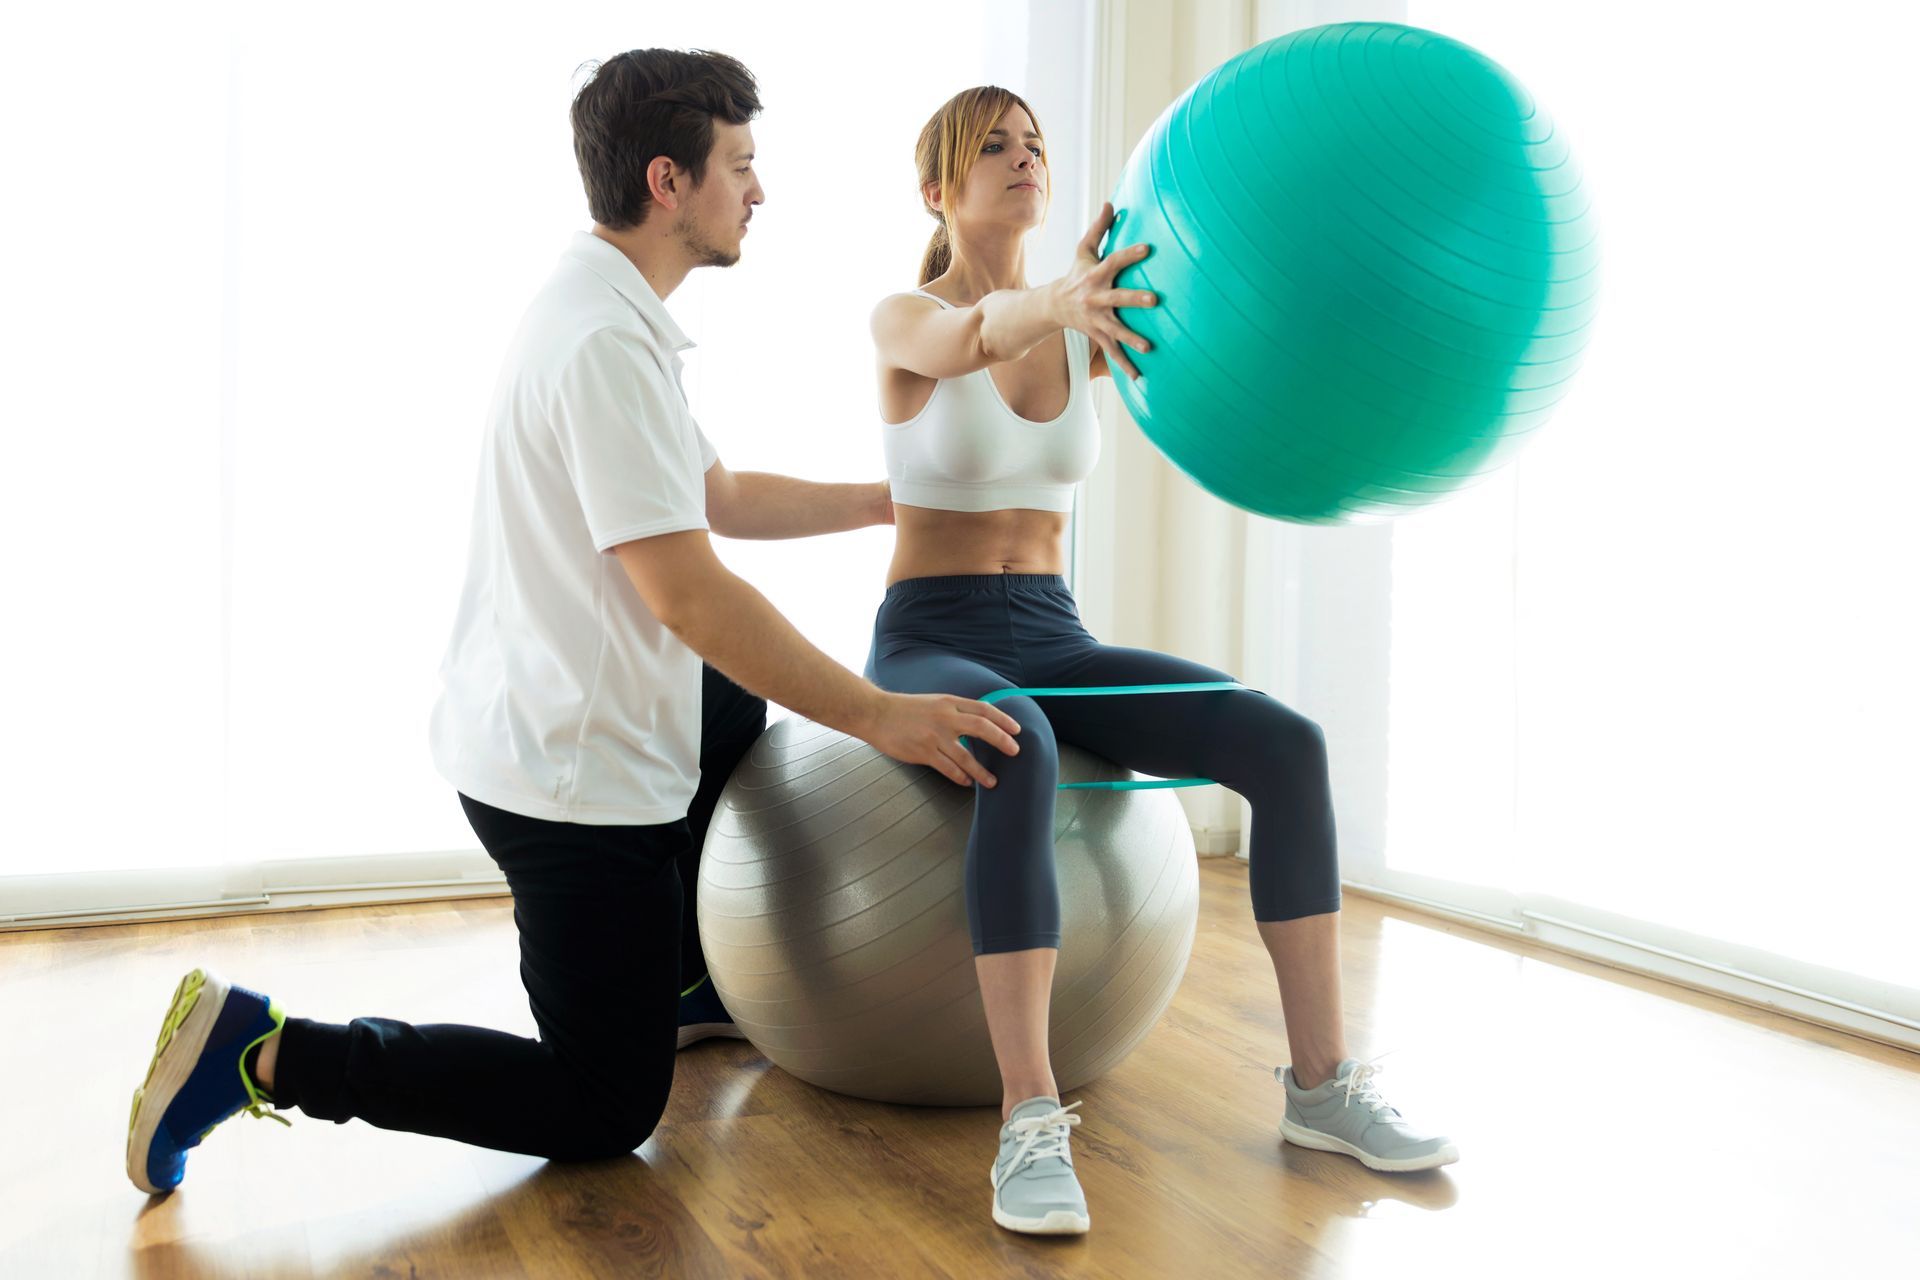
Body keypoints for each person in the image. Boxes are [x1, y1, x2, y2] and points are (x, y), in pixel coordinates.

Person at [123, 48, 1024, 1196]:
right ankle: (260, 1050)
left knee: (727, 704)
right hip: (567, 781)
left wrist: (884, 501)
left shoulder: (608, 310)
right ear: (667, 181)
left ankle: (684, 978)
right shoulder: (603, 346)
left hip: (548, 706)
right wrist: (879, 714)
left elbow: (715, 494)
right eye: (740, 165)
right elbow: (691, 593)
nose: (759, 190)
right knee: (604, 1103)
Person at [866, 86, 1459, 1236]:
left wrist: (1337, 306)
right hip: (929, 635)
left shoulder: (1078, 325)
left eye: (1035, 143)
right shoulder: (905, 319)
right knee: (1020, 740)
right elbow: (972, 337)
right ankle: (1029, 1115)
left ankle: (1322, 1085)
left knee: (1287, 744)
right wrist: (1058, 301)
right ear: (936, 188)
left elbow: (1218, 337)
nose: (1026, 159)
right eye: (994, 146)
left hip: (1054, 630)